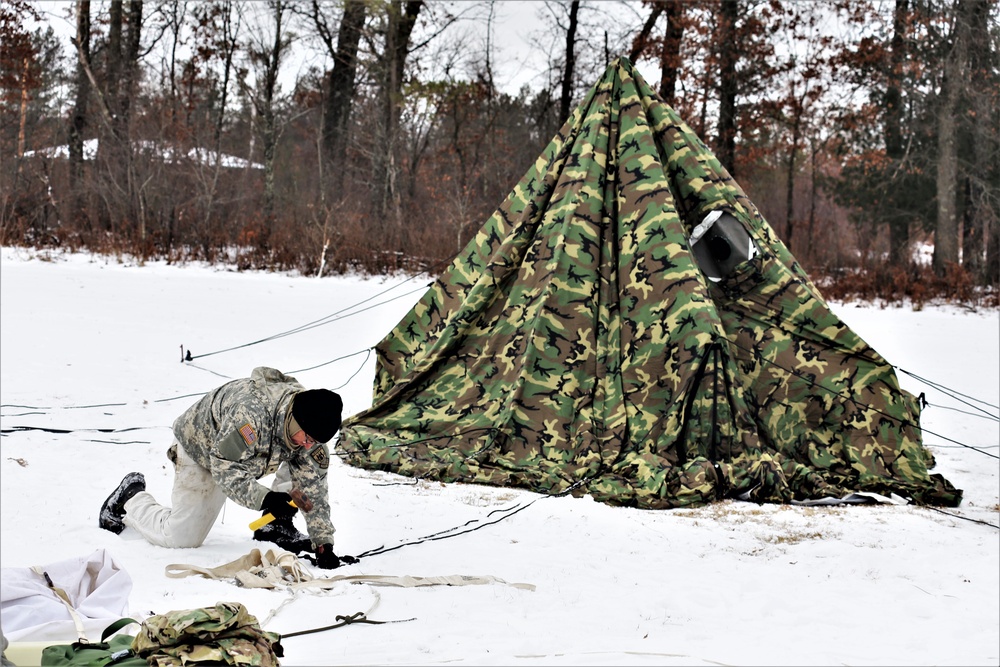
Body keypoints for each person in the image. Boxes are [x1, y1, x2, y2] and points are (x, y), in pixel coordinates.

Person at [99, 366, 349, 569]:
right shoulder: (250, 415)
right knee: (181, 538)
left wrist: (323, 542)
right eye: (305, 437)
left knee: (304, 465)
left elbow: (313, 487)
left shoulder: (309, 431)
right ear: (294, 417)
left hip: (255, 453)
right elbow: (225, 468)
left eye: (314, 442)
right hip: (204, 450)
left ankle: (275, 524)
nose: (308, 444)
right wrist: (267, 498)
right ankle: (132, 496)